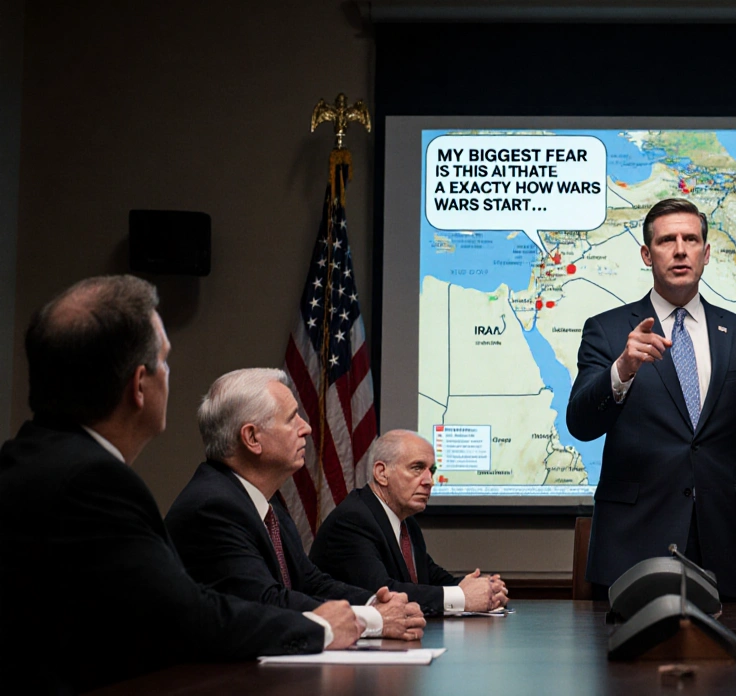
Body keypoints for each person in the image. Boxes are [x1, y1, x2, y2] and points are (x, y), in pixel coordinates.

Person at [0, 276, 360, 693]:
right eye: (165, 361)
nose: (169, 375)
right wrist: (319, 628)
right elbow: (188, 618)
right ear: (139, 385)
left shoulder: (25, 458)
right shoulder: (94, 482)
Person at [565, 198, 736, 601]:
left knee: (734, 664)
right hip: (633, 545)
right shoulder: (608, 331)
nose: (681, 249)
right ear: (647, 255)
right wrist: (622, 370)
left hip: (726, 546)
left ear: (706, 253)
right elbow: (580, 424)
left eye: (691, 239)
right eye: (667, 240)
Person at [164, 368, 426, 641]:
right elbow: (265, 600)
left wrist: (375, 602)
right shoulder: (213, 507)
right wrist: (374, 619)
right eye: (292, 419)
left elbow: (310, 581)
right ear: (252, 438)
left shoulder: (266, 503)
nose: (307, 428)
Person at [310, 429, 509, 615]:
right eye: (417, 468)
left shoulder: (406, 523)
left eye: (431, 470)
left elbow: (431, 578)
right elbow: (383, 593)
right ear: (381, 473)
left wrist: (485, 588)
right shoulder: (353, 520)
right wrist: (462, 597)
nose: (429, 480)